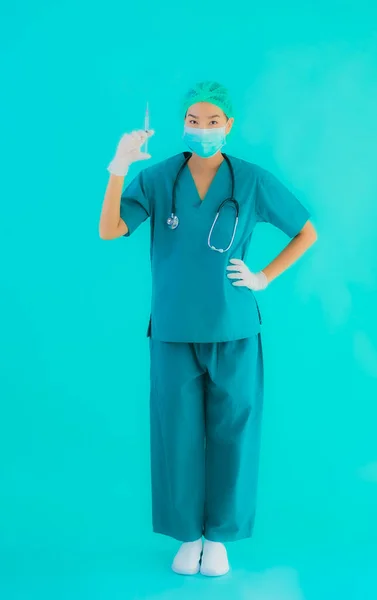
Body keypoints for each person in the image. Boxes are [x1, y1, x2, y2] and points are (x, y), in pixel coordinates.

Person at [99, 81, 317, 577]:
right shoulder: (157, 178)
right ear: (182, 124)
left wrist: (263, 277)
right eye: (193, 121)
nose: (202, 130)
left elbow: (307, 231)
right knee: (174, 434)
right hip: (173, 331)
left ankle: (218, 539)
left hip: (235, 330)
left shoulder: (252, 181)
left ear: (229, 126)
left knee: (233, 432)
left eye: (212, 121)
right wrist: (118, 166)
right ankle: (188, 536)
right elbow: (110, 228)